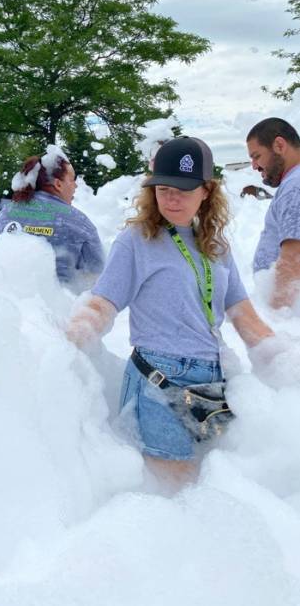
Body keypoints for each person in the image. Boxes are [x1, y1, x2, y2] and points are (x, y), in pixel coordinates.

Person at [68, 136, 274, 486]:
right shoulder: (136, 240)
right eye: (163, 189)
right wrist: (74, 334)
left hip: (212, 382)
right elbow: (103, 302)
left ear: (207, 190)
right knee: (172, 488)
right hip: (158, 381)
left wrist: (279, 355)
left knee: (213, 480)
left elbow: (241, 311)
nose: (172, 198)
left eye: (183, 189)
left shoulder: (216, 246)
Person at [0, 146, 105, 292]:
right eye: (72, 180)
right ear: (58, 184)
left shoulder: (4, 214)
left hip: (0, 305)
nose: (76, 185)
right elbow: (100, 277)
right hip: (56, 310)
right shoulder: (81, 223)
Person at [246, 117, 300, 308]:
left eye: (256, 156)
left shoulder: (295, 185)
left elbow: (294, 257)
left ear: (279, 145)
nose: (254, 165)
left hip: (287, 319)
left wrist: (277, 314)